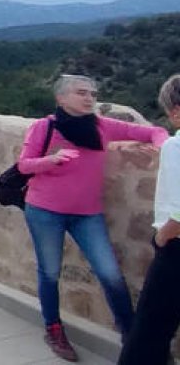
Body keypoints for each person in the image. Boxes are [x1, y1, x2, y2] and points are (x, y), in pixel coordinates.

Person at [17, 74, 167, 361]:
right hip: (45, 211)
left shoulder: (100, 127)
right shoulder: (43, 127)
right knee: (49, 273)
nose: (89, 98)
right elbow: (24, 165)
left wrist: (166, 146)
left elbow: (152, 132)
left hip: (86, 214)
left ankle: (131, 335)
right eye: (81, 92)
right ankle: (54, 329)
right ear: (61, 98)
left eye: (92, 93)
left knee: (110, 274)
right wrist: (51, 160)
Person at [118, 74, 180, 365]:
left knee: (150, 328)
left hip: (177, 247)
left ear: (176, 110)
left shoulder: (176, 147)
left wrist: (162, 237)